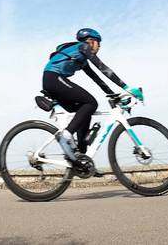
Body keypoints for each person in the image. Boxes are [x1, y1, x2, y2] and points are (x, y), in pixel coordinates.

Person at [42, 28, 142, 167]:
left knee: (84, 112)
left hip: (55, 80)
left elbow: (97, 79)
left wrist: (114, 95)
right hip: (53, 78)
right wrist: (126, 87)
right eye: (98, 44)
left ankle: (81, 160)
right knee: (90, 102)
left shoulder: (82, 60)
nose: (99, 48)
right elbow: (103, 68)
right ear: (91, 41)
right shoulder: (83, 47)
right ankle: (66, 135)